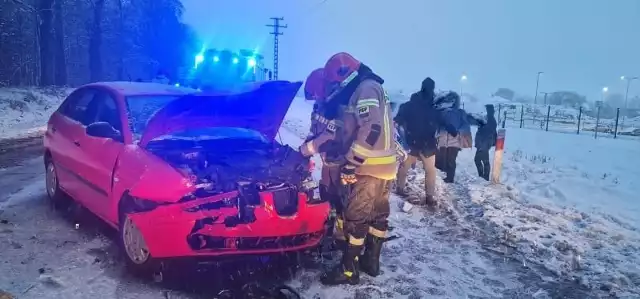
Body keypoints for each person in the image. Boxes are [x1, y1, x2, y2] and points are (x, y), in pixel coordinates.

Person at [318, 52, 398, 286]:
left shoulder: (365, 89)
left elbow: (371, 128)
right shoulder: (374, 86)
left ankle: (349, 270)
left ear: (345, 74)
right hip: (385, 166)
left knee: (355, 218)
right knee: (378, 215)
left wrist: (352, 163)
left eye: (336, 81)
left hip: (368, 166)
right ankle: (371, 262)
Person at [298, 68, 347, 246]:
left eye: (316, 95)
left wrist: (307, 149)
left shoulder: (340, 107)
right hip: (328, 161)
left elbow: (330, 136)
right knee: (326, 191)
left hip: (341, 161)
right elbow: (314, 131)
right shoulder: (319, 106)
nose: (316, 99)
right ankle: (327, 226)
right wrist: (301, 150)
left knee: (341, 198)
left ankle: (342, 237)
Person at [393, 77, 439, 206]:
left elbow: (398, 119)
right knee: (430, 171)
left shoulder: (409, 105)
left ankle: (400, 189)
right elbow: (441, 120)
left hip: (412, 141)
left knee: (404, 167)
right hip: (426, 144)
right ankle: (429, 197)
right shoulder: (433, 107)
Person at [434, 91, 472, 183]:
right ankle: (440, 178)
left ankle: (450, 178)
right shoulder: (440, 112)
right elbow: (436, 124)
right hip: (442, 140)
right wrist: (441, 129)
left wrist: (458, 131)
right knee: (440, 159)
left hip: (454, 141)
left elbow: (466, 125)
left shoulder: (460, 113)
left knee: (451, 160)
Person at [472, 104, 497, 181]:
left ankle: (484, 177)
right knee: (481, 160)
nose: (486, 110)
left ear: (489, 110)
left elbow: (487, 132)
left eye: (487, 109)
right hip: (484, 143)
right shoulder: (489, 118)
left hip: (484, 143)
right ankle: (484, 177)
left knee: (480, 160)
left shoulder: (490, 119)